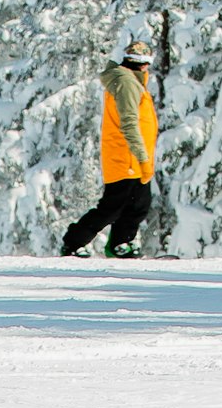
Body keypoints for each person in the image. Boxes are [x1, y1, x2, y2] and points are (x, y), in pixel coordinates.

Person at [61, 41, 161, 258]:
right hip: (126, 156)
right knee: (114, 206)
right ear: (144, 64)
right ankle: (74, 242)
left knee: (139, 204)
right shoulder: (127, 84)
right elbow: (129, 123)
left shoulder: (131, 82)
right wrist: (142, 157)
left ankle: (120, 243)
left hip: (131, 156)